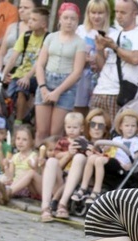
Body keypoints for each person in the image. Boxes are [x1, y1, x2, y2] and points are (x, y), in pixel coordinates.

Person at [34, 2, 86, 144]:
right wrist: (43, 87)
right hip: (46, 80)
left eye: (73, 19)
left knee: (55, 133)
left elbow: (77, 72)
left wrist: (58, 91)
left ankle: (52, 161)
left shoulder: (79, 43)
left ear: (77, 21)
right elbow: (40, 64)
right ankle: (35, 162)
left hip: (66, 86)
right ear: (60, 19)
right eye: (66, 18)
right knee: (41, 130)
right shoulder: (50, 37)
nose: (69, 22)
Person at [90, 0, 138, 120]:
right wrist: (100, 49)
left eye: (123, 12)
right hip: (100, 89)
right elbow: (103, 67)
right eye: (116, 12)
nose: (118, 16)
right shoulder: (113, 34)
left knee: (114, 134)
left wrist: (115, 47)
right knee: (93, 131)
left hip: (120, 93)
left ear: (135, 13)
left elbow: (135, 59)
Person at [80, 109, 138, 205]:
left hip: (121, 165)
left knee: (99, 161)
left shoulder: (136, 141)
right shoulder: (116, 139)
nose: (130, 128)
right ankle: (83, 188)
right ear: (121, 127)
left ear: (137, 128)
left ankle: (96, 190)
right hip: (111, 160)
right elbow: (108, 150)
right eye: (127, 126)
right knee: (92, 158)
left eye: (133, 126)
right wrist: (104, 148)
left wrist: (131, 164)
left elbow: (137, 156)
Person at [3, 7, 49, 126]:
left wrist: (27, 77)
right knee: (7, 97)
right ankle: (9, 120)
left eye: (34, 20)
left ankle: (18, 122)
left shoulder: (48, 39)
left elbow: (40, 62)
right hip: (20, 73)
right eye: (29, 19)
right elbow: (13, 58)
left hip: (36, 75)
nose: (29, 22)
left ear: (43, 23)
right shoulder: (26, 36)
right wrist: (3, 74)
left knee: (21, 89)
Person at [39, 111, 86, 221]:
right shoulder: (62, 142)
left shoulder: (83, 142)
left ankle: (62, 204)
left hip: (75, 182)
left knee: (79, 158)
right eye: (69, 127)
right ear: (65, 127)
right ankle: (45, 206)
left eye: (75, 127)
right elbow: (57, 158)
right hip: (61, 177)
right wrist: (69, 153)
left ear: (81, 128)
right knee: (51, 161)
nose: (71, 130)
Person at [64, 108, 112, 206]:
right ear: (88, 126)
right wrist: (70, 153)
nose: (96, 128)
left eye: (101, 126)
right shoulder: (80, 141)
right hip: (73, 175)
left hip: (99, 177)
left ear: (106, 128)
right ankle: (60, 202)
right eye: (93, 124)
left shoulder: (108, 145)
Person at [73, 0, 111, 115]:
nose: (96, 16)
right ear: (88, 13)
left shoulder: (112, 33)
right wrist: (84, 59)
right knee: (78, 111)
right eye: (93, 12)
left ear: (106, 14)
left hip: (101, 80)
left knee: (94, 114)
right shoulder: (80, 30)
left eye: (100, 13)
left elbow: (107, 63)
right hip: (81, 78)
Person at [0, 124, 40, 205]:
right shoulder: (15, 157)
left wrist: (33, 166)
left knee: (3, 188)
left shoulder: (34, 156)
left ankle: (3, 194)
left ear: (32, 141)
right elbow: (10, 176)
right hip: (14, 184)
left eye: (24, 140)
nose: (20, 142)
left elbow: (35, 174)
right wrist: (6, 166)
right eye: (18, 139)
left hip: (25, 187)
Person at [0, 0, 34, 77]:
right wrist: (0, 71)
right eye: (20, 7)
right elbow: (1, 53)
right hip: (4, 68)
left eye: (26, 8)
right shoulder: (12, 27)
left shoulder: (37, 31)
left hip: (23, 73)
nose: (21, 10)